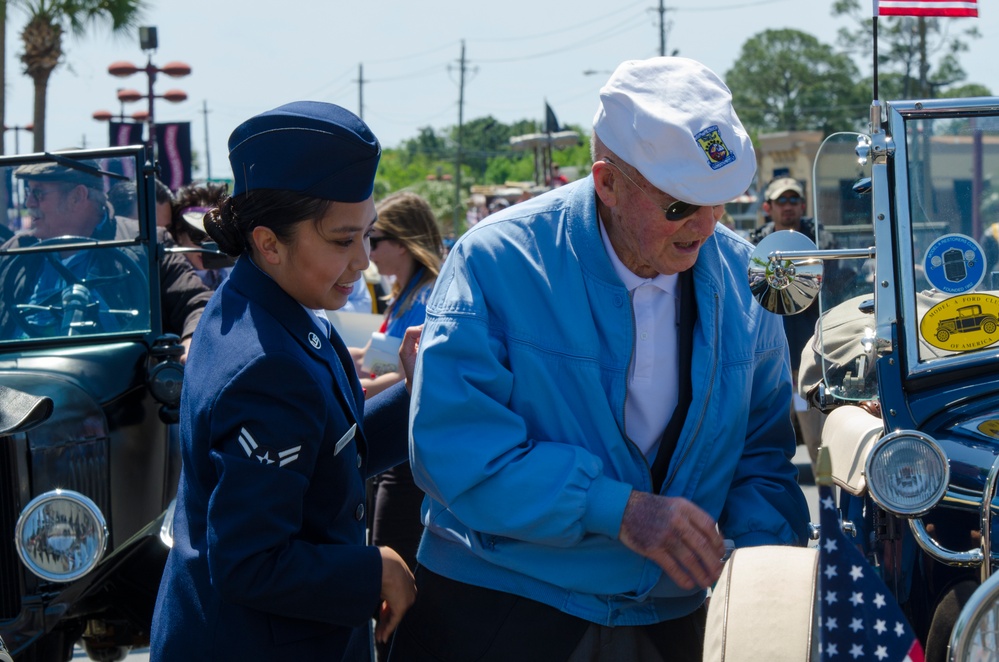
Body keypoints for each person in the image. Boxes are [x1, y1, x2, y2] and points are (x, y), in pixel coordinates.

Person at [390, 57, 811, 661]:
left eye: (721, 200)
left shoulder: (744, 280)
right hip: (504, 605)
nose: (707, 224)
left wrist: (760, 578)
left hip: (675, 614)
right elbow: (457, 453)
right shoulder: (496, 263)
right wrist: (618, 510)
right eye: (680, 206)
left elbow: (762, 458)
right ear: (607, 183)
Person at [150, 101, 417, 662]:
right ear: (269, 242)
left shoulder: (258, 307)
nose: (362, 262)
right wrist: (373, 570)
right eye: (343, 241)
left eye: (368, 236)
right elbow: (250, 562)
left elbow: (324, 454)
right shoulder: (267, 362)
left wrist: (416, 396)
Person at [0, 160, 211, 359]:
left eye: (38, 193)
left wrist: (192, 341)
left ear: (77, 196)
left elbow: (196, 303)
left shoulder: (143, 243)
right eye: (28, 192)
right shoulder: (16, 250)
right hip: (19, 379)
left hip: (109, 386)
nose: (28, 202)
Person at [169, 181, 233, 289]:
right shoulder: (165, 277)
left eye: (217, 235)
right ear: (179, 233)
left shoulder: (233, 274)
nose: (208, 245)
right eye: (198, 234)